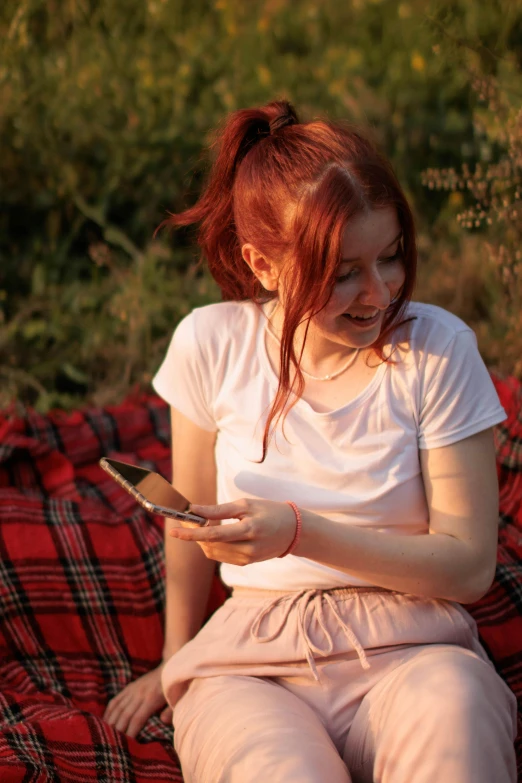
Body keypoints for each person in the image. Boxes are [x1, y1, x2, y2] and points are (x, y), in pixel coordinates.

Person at [103, 100, 518, 782]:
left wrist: (298, 532)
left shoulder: (437, 350)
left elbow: (470, 566)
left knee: (457, 726)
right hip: (252, 662)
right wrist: (175, 660)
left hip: (415, 648)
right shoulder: (212, 344)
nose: (380, 292)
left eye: (391, 256)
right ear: (262, 265)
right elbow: (190, 529)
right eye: (344, 270)